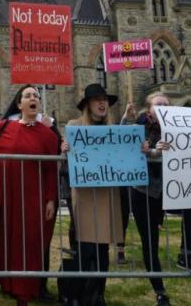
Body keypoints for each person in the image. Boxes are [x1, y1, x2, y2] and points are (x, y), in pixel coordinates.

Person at [0, 85, 58, 305]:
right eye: (28, 95)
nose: (33, 98)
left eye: (36, 95)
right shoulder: (2, 127)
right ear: (19, 104)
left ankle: (23, 297)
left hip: (31, 201)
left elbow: (51, 170)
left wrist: (50, 199)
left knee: (27, 248)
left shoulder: (48, 135)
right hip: (3, 198)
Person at [60, 83, 127, 306]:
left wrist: (142, 148)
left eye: (105, 100)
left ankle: (98, 293)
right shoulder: (74, 127)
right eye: (97, 99)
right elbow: (67, 160)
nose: (102, 103)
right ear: (87, 104)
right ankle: (78, 293)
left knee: (102, 247)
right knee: (86, 246)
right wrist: (65, 150)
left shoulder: (114, 130)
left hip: (107, 195)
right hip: (85, 195)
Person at [121, 93, 172, 306]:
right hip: (144, 191)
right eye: (158, 104)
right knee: (150, 241)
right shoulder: (139, 125)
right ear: (148, 109)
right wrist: (126, 118)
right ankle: (159, 290)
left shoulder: (179, 127)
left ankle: (186, 255)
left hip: (170, 190)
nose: (163, 107)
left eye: (166, 104)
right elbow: (122, 140)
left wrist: (151, 152)